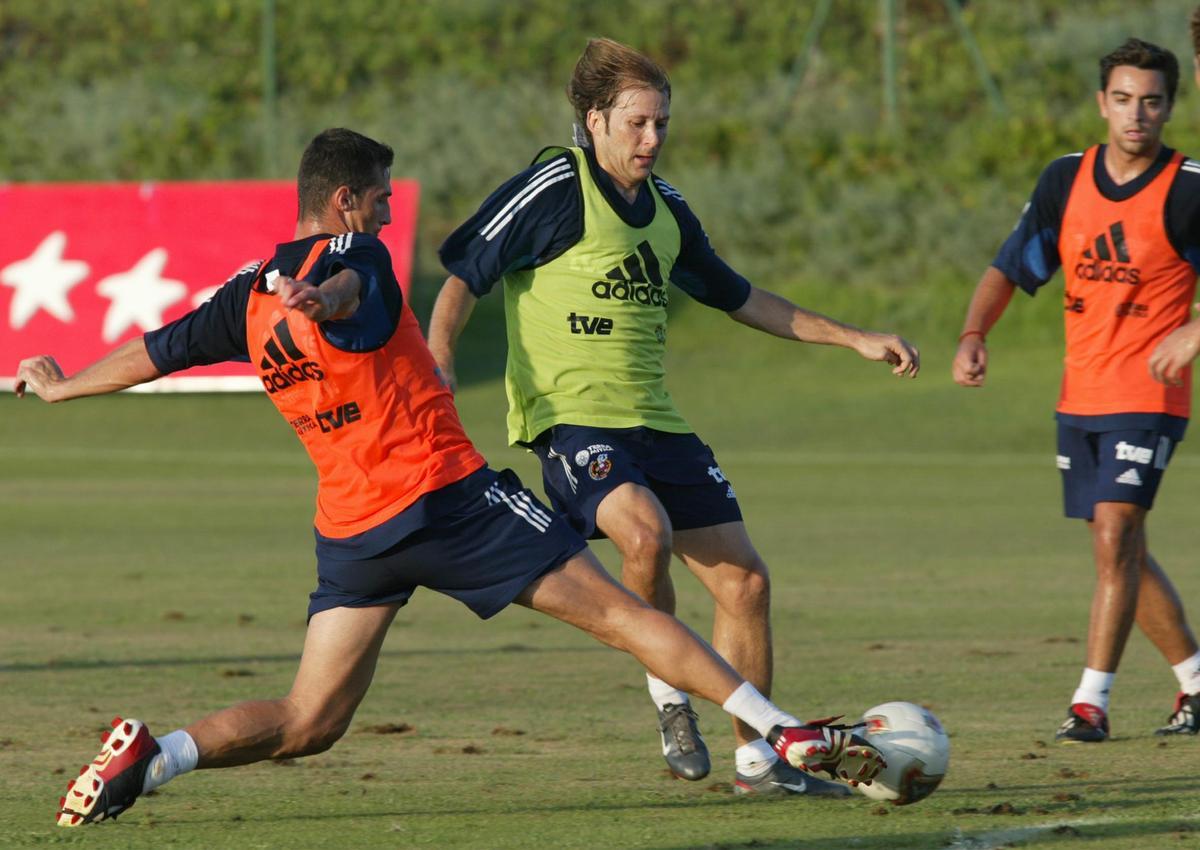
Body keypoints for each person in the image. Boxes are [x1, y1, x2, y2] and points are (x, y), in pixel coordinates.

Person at [16, 129, 885, 827]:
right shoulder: (356, 261)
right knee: (624, 613)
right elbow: (353, 284)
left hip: (357, 534)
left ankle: (153, 757)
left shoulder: (243, 297)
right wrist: (330, 301)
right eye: (384, 198)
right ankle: (786, 734)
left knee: (310, 721)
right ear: (346, 201)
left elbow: (154, 353)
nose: (392, 216)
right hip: (448, 502)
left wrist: (62, 387)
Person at [427, 38, 919, 794]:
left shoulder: (668, 211)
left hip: (658, 422)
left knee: (746, 585)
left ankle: (760, 764)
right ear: (595, 121)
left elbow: (742, 297)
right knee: (643, 532)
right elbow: (467, 271)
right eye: (637, 123)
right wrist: (441, 355)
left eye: (661, 123)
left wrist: (854, 337)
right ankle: (669, 700)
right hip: (572, 421)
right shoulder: (556, 185)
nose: (652, 139)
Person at [953, 38, 1200, 742]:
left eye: (1151, 101)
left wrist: (1194, 331)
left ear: (1169, 107)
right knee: (1112, 546)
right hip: (1080, 394)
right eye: (1123, 99)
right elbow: (1011, 265)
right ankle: (1196, 682)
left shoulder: (1189, 190)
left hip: (1150, 396)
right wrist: (974, 333)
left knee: (1118, 532)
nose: (1136, 114)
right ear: (1102, 103)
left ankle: (1090, 702)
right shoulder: (1066, 180)